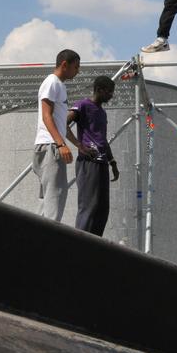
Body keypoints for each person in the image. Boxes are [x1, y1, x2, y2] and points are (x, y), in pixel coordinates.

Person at [67, 75, 119, 237]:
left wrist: (112, 162)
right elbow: (63, 123)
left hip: (102, 163)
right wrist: (79, 146)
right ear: (99, 90)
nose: (111, 95)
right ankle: (80, 243)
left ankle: (95, 243)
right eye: (109, 92)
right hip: (89, 162)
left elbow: (102, 139)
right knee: (89, 205)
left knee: (102, 208)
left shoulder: (102, 113)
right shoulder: (82, 105)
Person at [32, 49, 80, 221]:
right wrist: (60, 144)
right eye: (76, 67)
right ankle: (49, 242)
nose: (78, 71)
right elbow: (47, 116)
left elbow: (62, 124)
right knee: (55, 199)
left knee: (47, 202)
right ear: (64, 65)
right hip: (51, 147)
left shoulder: (60, 86)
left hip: (51, 146)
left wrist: (78, 145)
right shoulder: (52, 82)